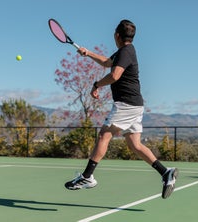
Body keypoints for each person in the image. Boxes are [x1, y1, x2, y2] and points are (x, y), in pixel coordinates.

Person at [64, 19, 178, 199]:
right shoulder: (125, 52)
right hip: (135, 104)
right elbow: (107, 63)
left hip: (126, 104)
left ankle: (87, 176)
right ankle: (166, 173)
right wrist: (88, 53)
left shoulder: (126, 52)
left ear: (116, 35)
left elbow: (114, 75)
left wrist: (96, 85)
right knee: (135, 145)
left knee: (104, 135)